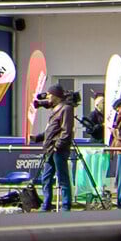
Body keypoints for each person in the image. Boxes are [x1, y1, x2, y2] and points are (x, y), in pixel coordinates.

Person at [31, 84, 74, 212]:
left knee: (62, 177)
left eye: (50, 94)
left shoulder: (66, 109)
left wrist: (58, 146)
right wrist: (37, 138)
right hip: (49, 148)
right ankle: (46, 204)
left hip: (58, 150)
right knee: (46, 177)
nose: (47, 97)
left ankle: (66, 205)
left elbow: (66, 131)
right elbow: (51, 130)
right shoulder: (55, 110)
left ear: (56, 96)